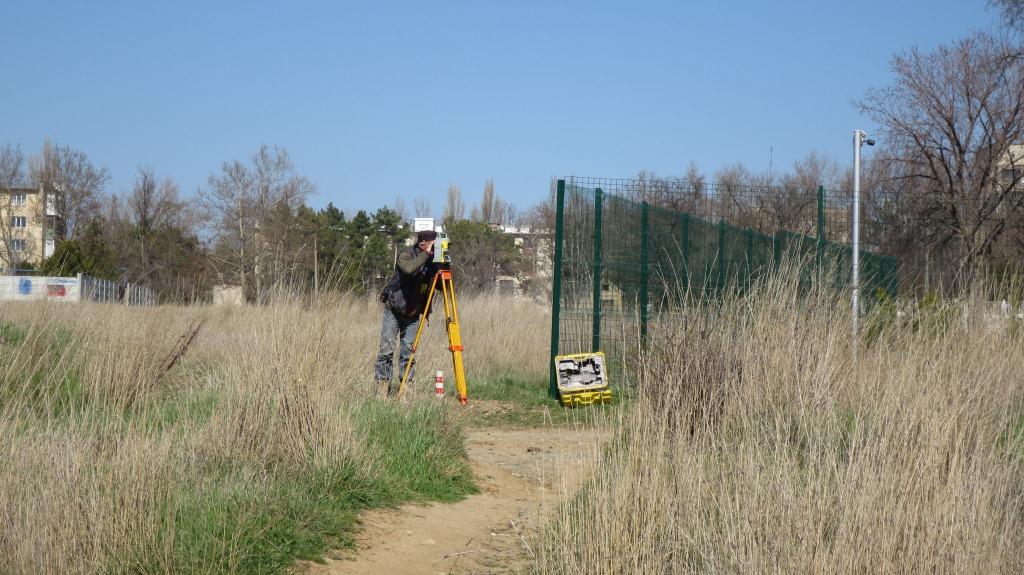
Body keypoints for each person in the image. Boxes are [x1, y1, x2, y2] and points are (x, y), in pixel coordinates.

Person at [375, 229, 439, 397]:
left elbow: (442, 287)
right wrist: (426, 254)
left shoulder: (432, 261)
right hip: (394, 311)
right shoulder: (406, 254)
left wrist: (443, 266)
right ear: (422, 244)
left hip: (413, 315)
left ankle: (406, 390)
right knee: (386, 351)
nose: (435, 248)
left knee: (408, 354)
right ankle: (382, 389)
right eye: (434, 244)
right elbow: (409, 269)